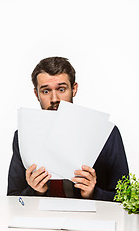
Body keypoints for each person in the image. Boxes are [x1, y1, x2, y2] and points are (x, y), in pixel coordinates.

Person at [7, 57, 129, 201]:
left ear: (74, 89)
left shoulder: (106, 133)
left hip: (91, 220)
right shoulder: (23, 136)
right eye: (46, 91)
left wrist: (92, 193)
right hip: (41, 220)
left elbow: (125, 198)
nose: (54, 99)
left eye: (61, 89)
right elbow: (13, 200)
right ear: (36, 94)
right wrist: (36, 191)